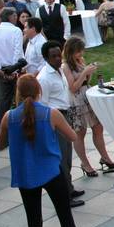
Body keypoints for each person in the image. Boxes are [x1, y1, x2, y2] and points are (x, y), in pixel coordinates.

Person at [0, 74, 79, 227]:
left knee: (33, 223)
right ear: (39, 91)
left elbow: (0, 145)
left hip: (26, 175)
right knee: (65, 218)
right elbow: (72, 136)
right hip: (52, 172)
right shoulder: (51, 114)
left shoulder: (9, 117)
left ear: (17, 93)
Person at [36, 40, 84, 208]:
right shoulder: (44, 78)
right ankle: (65, 196)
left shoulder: (59, 71)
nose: (57, 59)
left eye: (59, 55)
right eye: (53, 56)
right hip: (55, 120)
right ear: (45, 58)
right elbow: (42, 105)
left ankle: (69, 188)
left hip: (65, 115)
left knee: (68, 158)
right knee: (61, 159)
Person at [62, 37, 114, 175]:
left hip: (87, 97)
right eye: (78, 51)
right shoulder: (65, 66)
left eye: (81, 51)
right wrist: (84, 72)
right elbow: (72, 87)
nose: (81, 54)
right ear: (70, 51)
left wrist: (88, 73)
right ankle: (85, 164)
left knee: (98, 128)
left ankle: (105, 158)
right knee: (80, 133)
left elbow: (85, 81)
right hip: (76, 101)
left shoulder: (80, 61)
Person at [0, 7, 24, 131]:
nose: (16, 18)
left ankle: (3, 129)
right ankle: (20, 127)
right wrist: (13, 70)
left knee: (3, 102)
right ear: (11, 16)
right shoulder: (16, 30)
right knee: (20, 100)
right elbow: (17, 51)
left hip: (1, 70)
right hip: (15, 69)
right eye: (15, 15)